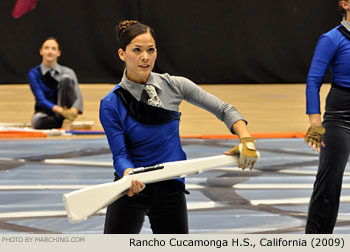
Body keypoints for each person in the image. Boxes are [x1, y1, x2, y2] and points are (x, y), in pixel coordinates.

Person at [99, 20, 259, 234]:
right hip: (130, 187)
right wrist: (129, 175)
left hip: (170, 187)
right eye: (137, 50)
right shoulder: (111, 103)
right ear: (122, 54)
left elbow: (224, 109)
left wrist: (246, 138)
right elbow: (120, 155)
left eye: (150, 50)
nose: (145, 57)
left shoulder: (175, 85)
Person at [305, 0, 350, 233]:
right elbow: (313, 81)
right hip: (341, 116)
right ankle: (316, 242)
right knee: (329, 183)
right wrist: (315, 122)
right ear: (345, 3)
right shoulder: (331, 39)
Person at [28, 37, 83, 129]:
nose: (50, 51)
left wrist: (73, 111)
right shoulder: (34, 73)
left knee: (65, 79)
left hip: (64, 111)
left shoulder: (68, 72)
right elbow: (41, 100)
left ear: (58, 53)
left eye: (53, 49)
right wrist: (62, 112)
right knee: (36, 121)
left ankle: (62, 120)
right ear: (41, 51)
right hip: (45, 113)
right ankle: (60, 122)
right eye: (46, 48)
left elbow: (78, 96)